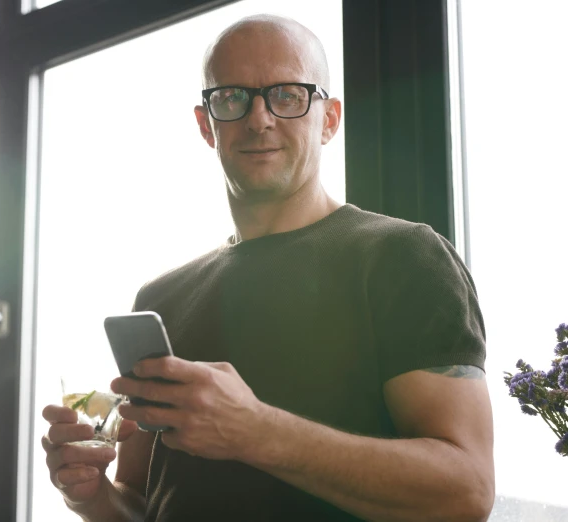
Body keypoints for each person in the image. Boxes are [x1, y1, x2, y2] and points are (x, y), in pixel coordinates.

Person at [41, 14, 495, 522]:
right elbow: (143, 506)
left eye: (288, 94)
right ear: (205, 124)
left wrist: (255, 430)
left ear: (328, 119)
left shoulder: (404, 257)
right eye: (232, 97)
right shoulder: (160, 297)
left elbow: (467, 491)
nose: (259, 118)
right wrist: (90, 496)